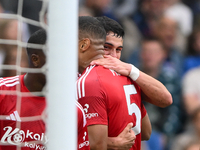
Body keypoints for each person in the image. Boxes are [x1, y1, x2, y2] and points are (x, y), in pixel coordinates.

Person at [77, 15, 152, 150]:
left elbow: (96, 145)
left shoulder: (90, 81)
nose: (113, 56)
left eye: (118, 50)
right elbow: (146, 133)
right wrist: (115, 142)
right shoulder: (127, 79)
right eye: (107, 47)